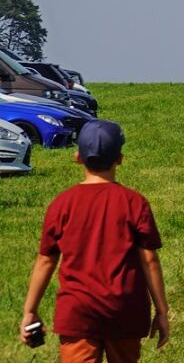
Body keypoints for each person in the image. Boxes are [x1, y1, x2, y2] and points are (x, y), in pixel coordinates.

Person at [20, 120, 170, 362]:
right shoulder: (134, 202)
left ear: (78, 157)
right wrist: (162, 311)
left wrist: (30, 311)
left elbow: (45, 261)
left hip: (77, 313)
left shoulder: (62, 203)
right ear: (120, 158)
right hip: (124, 312)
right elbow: (149, 260)